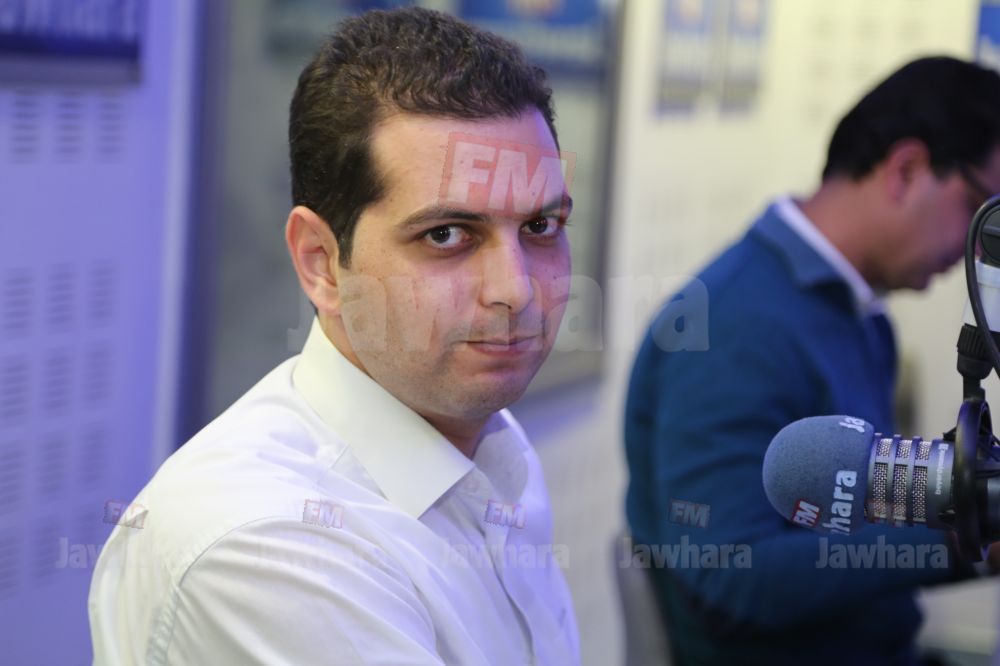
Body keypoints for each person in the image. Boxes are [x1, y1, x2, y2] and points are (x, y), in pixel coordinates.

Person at [89, 8, 579, 664]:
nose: (515, 290)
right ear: (320, 262)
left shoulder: (496, 449)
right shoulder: (264, 542)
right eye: (446, 235)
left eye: (541, 227)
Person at [624, 56, 1000, 665]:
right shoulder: (735, 328)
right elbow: (732, 575)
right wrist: (962, 538)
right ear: (906, 169)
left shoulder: (857, 314)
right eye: (979, 206)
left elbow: (862, 510)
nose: (974, 248)